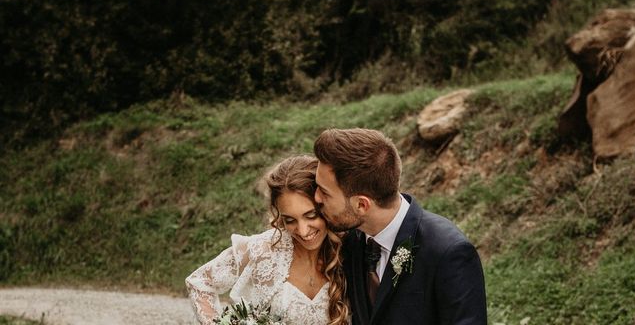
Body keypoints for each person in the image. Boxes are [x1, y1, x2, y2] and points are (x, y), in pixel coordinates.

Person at [313, 128, 487, 325]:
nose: (316, 197)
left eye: (325, 192)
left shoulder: (448, 252)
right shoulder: (349, 239)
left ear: (362, 205)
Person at [185, 155, 350, 325]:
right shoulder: (262, 250)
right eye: (290, 220)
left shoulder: (352, 250)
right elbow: (199, 283)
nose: (302, 230)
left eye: (311, 215)